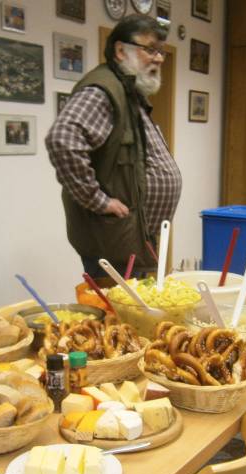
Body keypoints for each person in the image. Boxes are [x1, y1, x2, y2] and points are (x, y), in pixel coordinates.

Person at [45, 15, 181, 279]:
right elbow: (62, 139)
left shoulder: (129, 92)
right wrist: (99, 201)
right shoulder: (104, 90)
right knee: (117, 307)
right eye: (150, 49)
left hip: (131, 239)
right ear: (120, 50)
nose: (159, 59)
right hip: (114, 242)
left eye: (161, 52)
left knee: (137, 305)